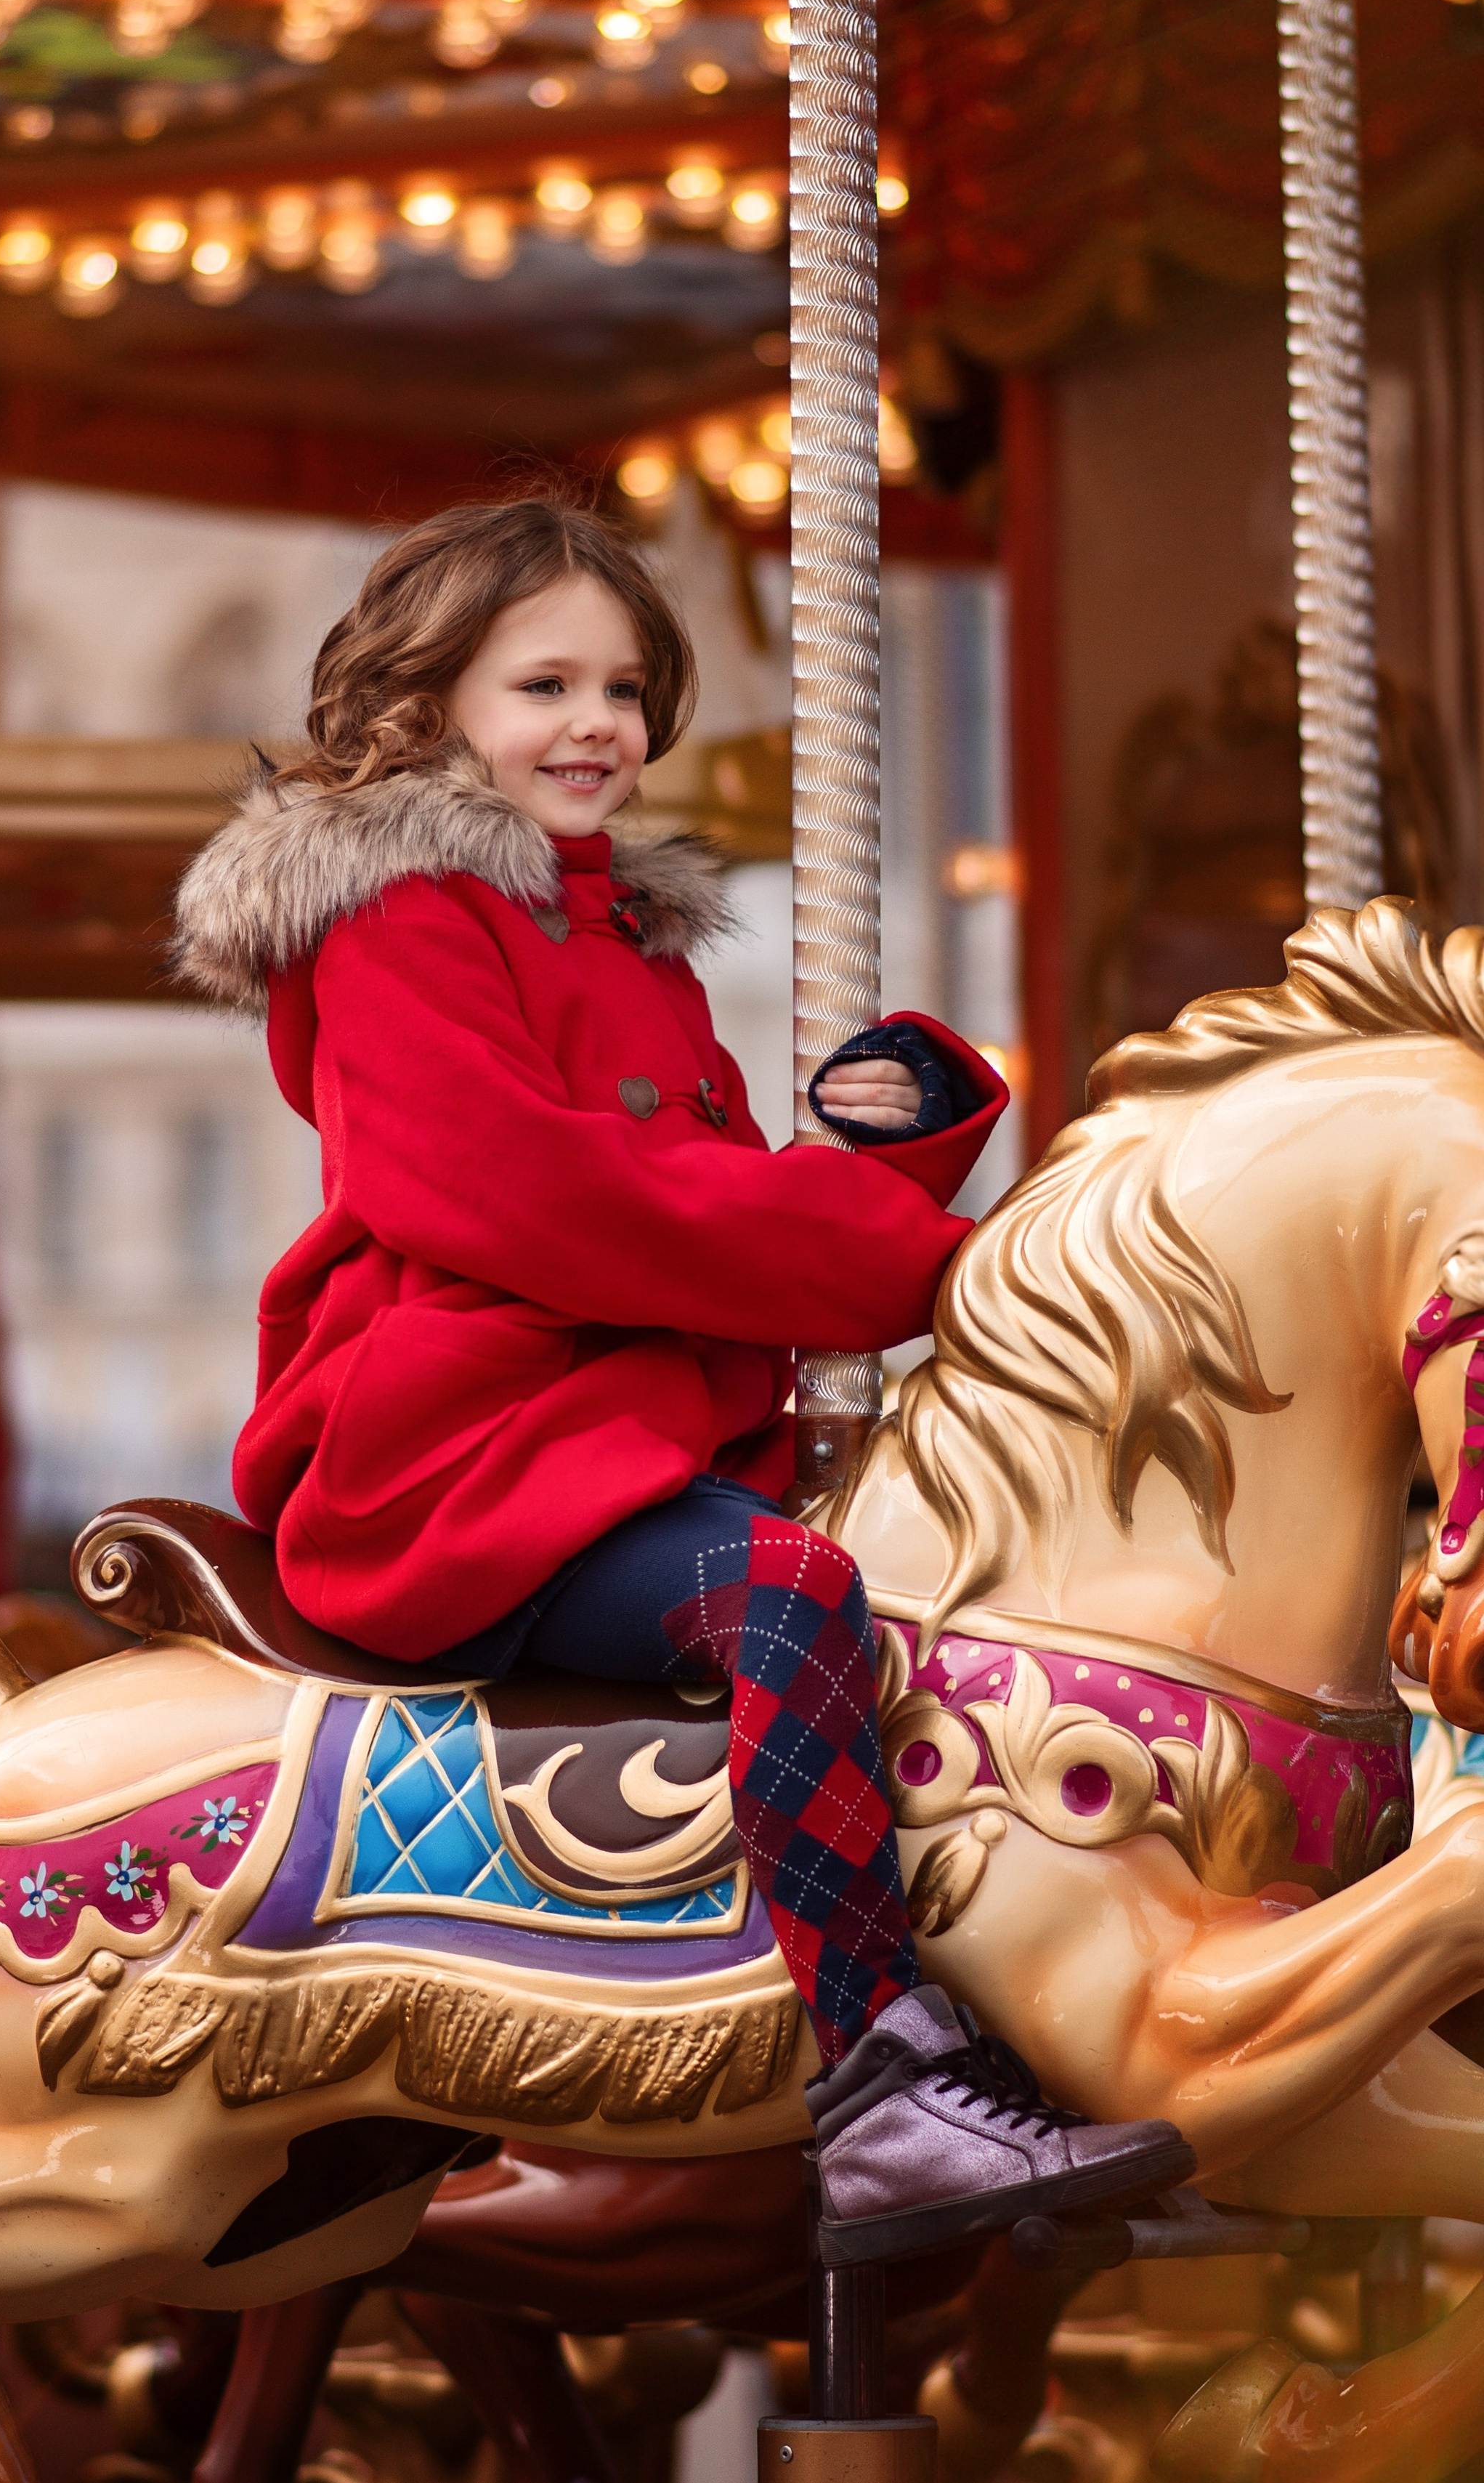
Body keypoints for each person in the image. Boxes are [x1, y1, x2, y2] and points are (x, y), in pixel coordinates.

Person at [176, 497, 1191, 2261]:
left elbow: (701, 1225)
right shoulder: (396, 922)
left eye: (625, 688)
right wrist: (929, 1264)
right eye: (544, 682)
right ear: (426, 712)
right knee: (791, 1593)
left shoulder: (614, 937)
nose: (597, 725)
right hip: (467, 1454)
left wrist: (883, 1140)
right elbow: (566, 1207)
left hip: (625, 1435)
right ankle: (878, 2086)